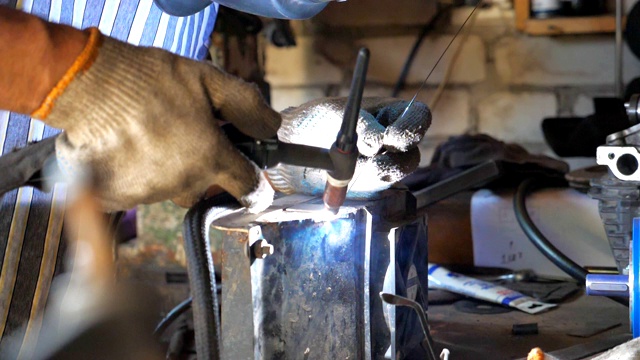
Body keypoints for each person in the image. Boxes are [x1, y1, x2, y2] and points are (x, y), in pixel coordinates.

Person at [0, 0, 431, 356]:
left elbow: (168, 143)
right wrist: (71, 74)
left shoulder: (190, 10)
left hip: (50, 309)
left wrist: (288, 152)